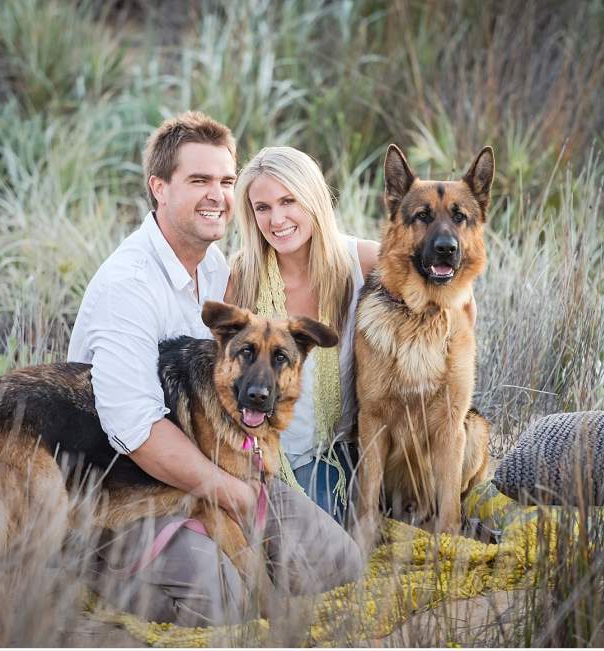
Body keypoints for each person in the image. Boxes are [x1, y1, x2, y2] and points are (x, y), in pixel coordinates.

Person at [67, 113, 362, 627]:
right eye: (199, 181)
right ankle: (83, 561)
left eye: (226, 182)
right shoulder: (128, 287)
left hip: (220, 466)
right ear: (158, 188)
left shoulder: (218, 270)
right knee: (223, 599)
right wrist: (231, 492)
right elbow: (135, 431)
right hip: (129, 489)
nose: (218, 195)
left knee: (340, 563)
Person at [226, 146, 380, 527]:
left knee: (315, 543)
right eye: (262, 208)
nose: (276, 219)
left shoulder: (364, 262)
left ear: (312, 197)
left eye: (288, 201)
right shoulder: (242, 278)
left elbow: (453, 301)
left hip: (334, 450)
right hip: (262, 450)